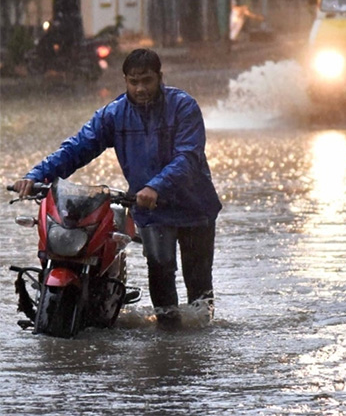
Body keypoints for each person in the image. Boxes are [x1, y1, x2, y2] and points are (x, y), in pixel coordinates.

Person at [12, 48, 222, 329]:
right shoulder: (114, 114)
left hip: (194, 207)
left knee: (198, 286)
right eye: (133, 82)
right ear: (124, 80)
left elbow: (188, 156)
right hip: (151, 210)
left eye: (147, 80)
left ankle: (200, 346)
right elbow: (76, 148)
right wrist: (36, 176)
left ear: (160, 77)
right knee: (160, 273)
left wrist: (155, 186)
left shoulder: (183, 107)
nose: (141, 88)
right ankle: (169, 338)